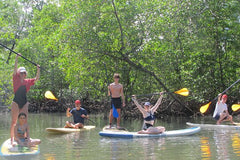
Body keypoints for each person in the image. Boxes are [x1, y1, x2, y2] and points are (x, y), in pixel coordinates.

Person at [10, 54, 40, 145]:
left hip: (24, 103)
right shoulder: (16, 79)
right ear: (19, 74)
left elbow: (37, 79)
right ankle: (12, 139)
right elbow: (15, 69)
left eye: (24, 73)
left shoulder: (28, 82)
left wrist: (38, 69)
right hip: (16, 102)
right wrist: (16, 58)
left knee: (25, 121)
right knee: (14, 121)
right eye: (21, 73)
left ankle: (27, 138)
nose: (23, 74)